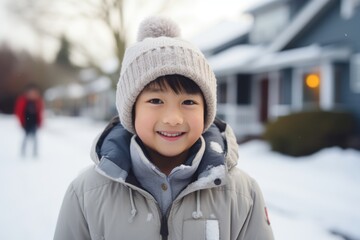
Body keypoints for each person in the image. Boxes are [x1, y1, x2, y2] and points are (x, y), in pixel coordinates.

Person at [54, 17, 274, 240]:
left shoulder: (242, 194)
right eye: (156, 101)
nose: (173, 119)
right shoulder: (87, 193)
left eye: (188, 102)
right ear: (132, 110)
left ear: (206, 112)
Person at [14, 83, 44, 157]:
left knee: (35, 138)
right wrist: (21, 122)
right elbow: (19, 112)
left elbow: (40, 112)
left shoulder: (37, 101)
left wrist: (40, 122)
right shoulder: (23, 101)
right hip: (26, 122)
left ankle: (35, 152)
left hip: (34, 122)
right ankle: (23, 152)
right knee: (25, 137)